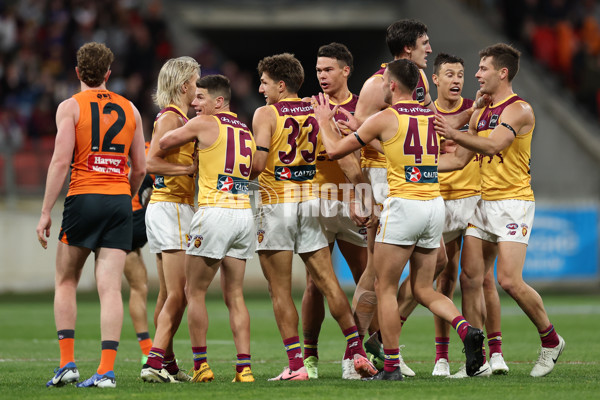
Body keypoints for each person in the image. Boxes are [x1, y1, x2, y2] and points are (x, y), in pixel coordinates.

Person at [313, 58, 485, 381]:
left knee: (385, 287)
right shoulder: (429, 117)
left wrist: (324, 120)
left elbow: (335, 150)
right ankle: (466, 330)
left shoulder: (385, 117)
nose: (381, 87)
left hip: (404, 206)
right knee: (423, 287)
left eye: (383, 82)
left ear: (392, 85)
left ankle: (390, 366)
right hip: (434, 205)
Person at [435, 43, 565, 378]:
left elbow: (494, 145)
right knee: (470, 278)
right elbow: (460, 159)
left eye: (483, 68)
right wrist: (416, 168)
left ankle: (550, 340)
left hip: (512, 203)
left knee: (509, 280)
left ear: (502, 73)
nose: (476, 75)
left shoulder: (519, 109)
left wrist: (454, 132)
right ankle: (475, 362)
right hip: (481, 203)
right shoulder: (481, 112)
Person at [251, 53, 376, 381]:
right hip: (309, 204)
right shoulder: (317, 111)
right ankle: (357, 352)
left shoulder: (265, 113)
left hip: (276, 203)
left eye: (264, 82)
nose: (261, 88)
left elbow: (258, 164)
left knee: (280, 289)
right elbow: (343, 154)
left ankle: (297, 366)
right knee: (329, 283)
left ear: (280, 84)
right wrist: (362, 195)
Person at [37, 42, 146, 388]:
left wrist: (44, 213)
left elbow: (59, 162)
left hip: (83, 195)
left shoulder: (70, 107)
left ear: (77, 73)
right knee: (111, 287)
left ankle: (67, 364)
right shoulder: (130, 108)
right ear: (109, 74)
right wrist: (124, 194)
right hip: (118, 199)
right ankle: (106, 372)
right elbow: (140, 168)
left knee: (66, 279)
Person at [159, 74, 256, 383]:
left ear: (218, 101)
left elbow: (163, 143)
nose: (194, 103)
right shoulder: (245, 130)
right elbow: (253, 167)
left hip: (214, 212)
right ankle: (244, 369)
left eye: (200, 98)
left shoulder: (203, 124)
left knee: (194, 290)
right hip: (243, 214)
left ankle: (201, 365)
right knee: (236, 295)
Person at [430, 53, 508, 377]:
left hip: (474, 198)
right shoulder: (424, 116)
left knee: (482, 278)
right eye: (449, 74)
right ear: (435, 79)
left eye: (460, 74)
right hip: (441, 201)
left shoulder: (477, 111)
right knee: (443, 278)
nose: (456, 80)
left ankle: (494, 353)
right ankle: (442, 358)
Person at [301, 42, 372, 380]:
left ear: (346, 70)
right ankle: (310, 358)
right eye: (318, 71)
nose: (322, 76)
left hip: (352, 202)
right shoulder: (307, 107)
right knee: (315, 284)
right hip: (318, 200)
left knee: (364, 281)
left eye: (328, 69)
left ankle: (353, 354)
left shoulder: (363, 110)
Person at [140, 56, 199, 383]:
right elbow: (151, 163)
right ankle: (154, 360)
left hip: (169, 207)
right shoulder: (172, 119)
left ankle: (169, 363)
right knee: (182, 292)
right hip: (172, 207)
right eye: (195, 81)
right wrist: (187, 169)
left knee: (167, 293)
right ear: (183, 85)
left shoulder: (179, 117)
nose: (198, 87)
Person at [124, 140, 155, 365]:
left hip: (122, 218)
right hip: (144, 217)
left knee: (138, 286)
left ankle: (149, 351)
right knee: (143, 284)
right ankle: (155, 352)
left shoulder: (114, 153)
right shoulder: (151, 147)